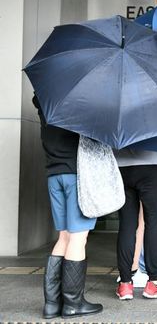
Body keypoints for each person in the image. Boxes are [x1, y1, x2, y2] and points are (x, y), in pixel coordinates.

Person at [34, 95, 103, 319]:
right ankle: (73, 303)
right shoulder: (78, 104)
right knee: (78, 238)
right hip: (76, 176)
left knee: (63, 237)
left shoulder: (46, 104)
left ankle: (52, 305)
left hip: (54, 175)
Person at [114, 149, 157, 300]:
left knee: (126, 225)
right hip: (151, 165)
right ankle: (155, 281)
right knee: (154, 225)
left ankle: (125, 284)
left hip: (121, 166)